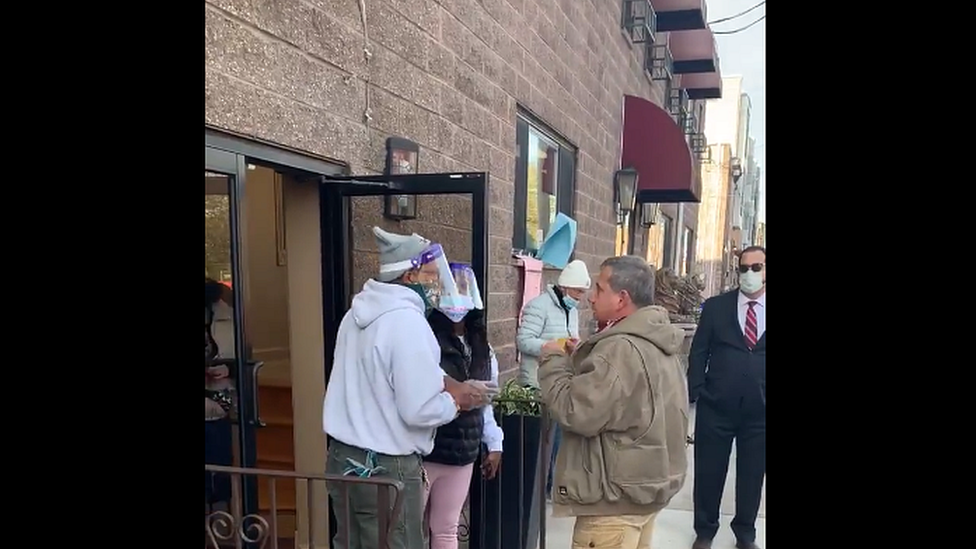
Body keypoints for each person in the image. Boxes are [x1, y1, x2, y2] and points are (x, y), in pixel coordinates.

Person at [323, 227, 496, 549]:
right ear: (410, 274)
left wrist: (450, 384)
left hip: (343, 458)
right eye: (430, 275)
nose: (436, 284)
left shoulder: (355, 315)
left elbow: (378, 375)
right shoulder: (407, 321)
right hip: (386, 466)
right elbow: (419, 410)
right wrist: (459, 402)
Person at [538, 255, 689, 549]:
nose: (591, 298)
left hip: (611, 507)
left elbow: (575, 411)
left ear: (622, 299)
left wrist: (553, 360)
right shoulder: (656, 339)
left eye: (598, 289)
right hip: (641, 495)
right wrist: (585, 357)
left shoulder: (619, 349)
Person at [687, 246, 766, 549]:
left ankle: (745, 534)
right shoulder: (717, 307)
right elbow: (699, 351)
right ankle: (705, 531)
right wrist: (698, 391)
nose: (749, 274)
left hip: (759, 413)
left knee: (752, 475)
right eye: (744, 268)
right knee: (709, 472)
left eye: (756, 267)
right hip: (716, 407)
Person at [422, 263, 504, 549]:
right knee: (408, 527)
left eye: (464, 290)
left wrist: (494, 443)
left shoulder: (482, 345)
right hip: (428, 449)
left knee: (446, 528)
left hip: (463, 453)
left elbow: (488, 402)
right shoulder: (425, 337)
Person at [515, 259, 591, 497]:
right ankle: (539, 486)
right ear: (565, 287)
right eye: (578, 291)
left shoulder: (572, 310)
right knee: (543, 440)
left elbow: (572, 336)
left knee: (558, 439)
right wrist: (548, 346)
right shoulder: (538, 306)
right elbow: (523, 340)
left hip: (561, 382)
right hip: (538, 382)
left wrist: (575, 345)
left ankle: (551, 484)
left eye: (583, 293)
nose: (580, 297)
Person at [205, 278, 235, 507]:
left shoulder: (229, 321)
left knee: (220, 465)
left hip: (219, 403)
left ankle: (219, 520)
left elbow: (241, 358)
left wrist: (227, 368)